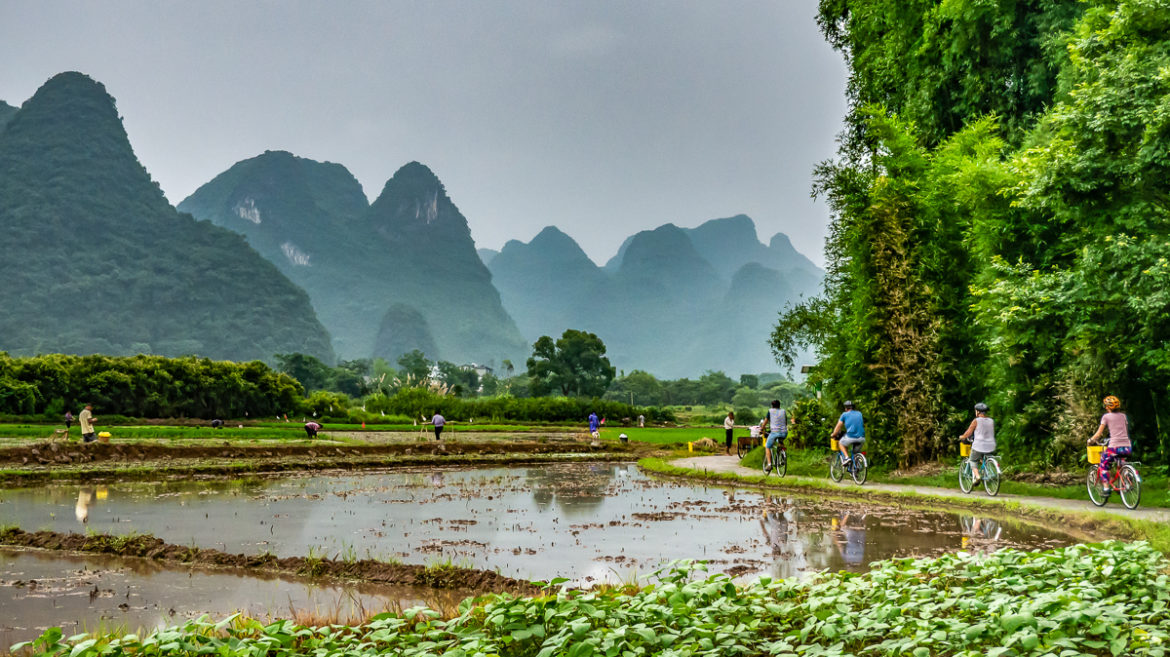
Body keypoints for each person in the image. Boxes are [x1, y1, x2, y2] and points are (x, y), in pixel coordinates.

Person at [1089, 395, 1131, 491]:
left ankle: (1106, 487)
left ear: (1107, 407)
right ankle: (1127, 474)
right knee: (1120, 459)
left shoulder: (1106, 417)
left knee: (1103, 462)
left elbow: (1099, 434)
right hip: (1127, 446)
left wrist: (1091, 440)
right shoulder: (1123, 416)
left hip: (1114, 447)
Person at [958, 403, 995, 482]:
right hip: (991, 445)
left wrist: (962, 437)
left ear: (978, 412)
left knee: (973, 460)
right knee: (982, 457)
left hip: (979, 445)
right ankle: (988, 469)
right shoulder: (991, 421)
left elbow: (968, 433)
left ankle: (977, 476)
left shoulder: (976, 421)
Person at [830, 400, 864, 467]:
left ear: (846, 408)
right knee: (855, 453)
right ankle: (856, 469)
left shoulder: (844, 414)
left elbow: (838, 426)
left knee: (841, 443)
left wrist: (833, 434)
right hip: (861, 437)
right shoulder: (859, 413)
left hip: (851, 436)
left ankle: (846, 458)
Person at [762, 400, 788, 472]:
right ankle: (782, 457)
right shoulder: (783, 411)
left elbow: (765, 421)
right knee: (780, 442)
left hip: (774, 432)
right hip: (784, 432)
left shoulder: (770, 411)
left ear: (772, 406)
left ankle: (769, 464)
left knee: (767, 446)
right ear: (779, 405)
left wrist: (762, 428)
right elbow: (785, 422)